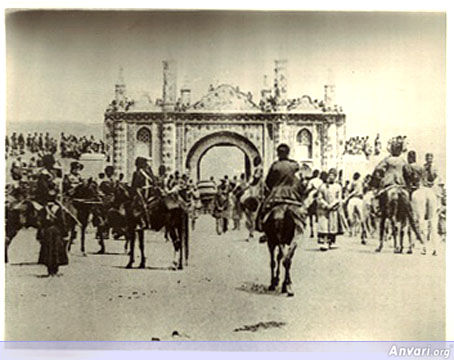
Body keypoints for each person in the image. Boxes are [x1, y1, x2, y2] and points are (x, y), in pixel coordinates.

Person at [257, 144, 305, 243]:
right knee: (301, 208)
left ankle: (263, 231)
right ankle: (302, 225)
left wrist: (273, 188)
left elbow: (268, 182)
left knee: (263, 209)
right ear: (288, 153)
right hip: (292, 193)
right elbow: (299, 178)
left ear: (278, 153)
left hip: (276, 193)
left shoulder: (275, 165)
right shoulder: (294, 165)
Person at [34, 154, 68, 276]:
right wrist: (52, 196)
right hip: (44, 202)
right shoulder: (43, 176)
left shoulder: (50, 174)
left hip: (51, 200)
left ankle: (52, 269)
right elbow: (43, 191)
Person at [317, 168, 343, 251]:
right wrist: (325, 205)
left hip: (333, 209)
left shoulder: (338, 187)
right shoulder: (322, 186)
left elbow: (338, 198)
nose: (331, 177)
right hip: (324, 209)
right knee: (324, 226)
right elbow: (319, 198)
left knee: (332, 226)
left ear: (335, 177)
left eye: (334, 175)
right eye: (330, 175)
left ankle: (331, 242)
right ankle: (324, 242)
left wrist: (332, 205)